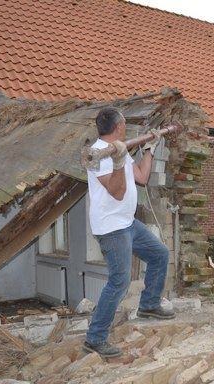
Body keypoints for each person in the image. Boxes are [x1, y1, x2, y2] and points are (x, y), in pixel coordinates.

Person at [84, 107, 174, 358]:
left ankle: (149, 304)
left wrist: (149, 149)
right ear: (119, 126)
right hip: (111, 228)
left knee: (159, 254)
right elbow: (118, 192)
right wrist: (117, 162)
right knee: (119, 281)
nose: (125, 125)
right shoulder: (97, 154)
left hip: (127, 222)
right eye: (124, 122)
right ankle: (95, 338)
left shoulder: (120, 147)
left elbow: (142, 178)